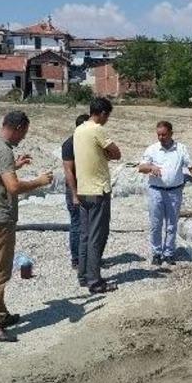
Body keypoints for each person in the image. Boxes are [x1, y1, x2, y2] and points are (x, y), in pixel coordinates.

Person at [0, 111, 53, 342]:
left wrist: (15, 166)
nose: (23, 138)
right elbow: (13, 188)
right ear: (18, 127)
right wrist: (39, 182)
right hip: (0, 218)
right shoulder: (4, 150)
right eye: (24, 132)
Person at [138, 121, 192, 266]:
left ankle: (169, 253)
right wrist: (151, 167)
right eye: (158, 134)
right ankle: (156, 253)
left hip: (175, 192)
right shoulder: (152, 149)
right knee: (156, 224)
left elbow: (191, 165)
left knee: (171, 224)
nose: (160, 137)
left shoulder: (181, 149)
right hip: (156, 191)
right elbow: (141, 167)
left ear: (171, 133)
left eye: (164, 134)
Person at [74, 97, 122, 294]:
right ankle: (95, 281)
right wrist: (107, 154)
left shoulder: (78, 130)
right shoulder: (97, 130)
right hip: (97, 190)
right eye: (107, 116)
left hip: (83, 189)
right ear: (102, 113)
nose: (107, 120)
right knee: (96, 237)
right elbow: (117, 153)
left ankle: (84, 275)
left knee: (85, 236)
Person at [61, 113, 91, 277]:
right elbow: (68, 171)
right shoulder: (70, 144)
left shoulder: (90, 142)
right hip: (76, 189)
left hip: (90, 188)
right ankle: (76, 259)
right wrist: (74, 194)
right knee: (77, 225)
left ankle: (87, 257)